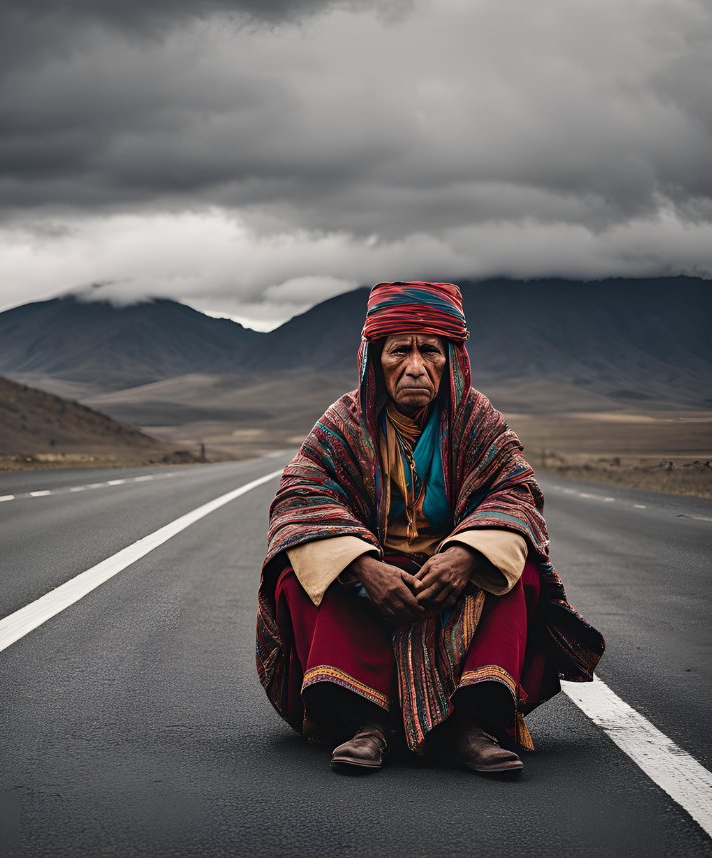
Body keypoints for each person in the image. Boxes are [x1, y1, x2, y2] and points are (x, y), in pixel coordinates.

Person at [255, 281, 605, 775]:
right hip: (373, 582)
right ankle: (366, 722)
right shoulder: (342, 423)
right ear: (375, 359)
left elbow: (516, 495)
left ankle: (473, 725)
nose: (416, 366)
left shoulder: (477, 420)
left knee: (519, 568)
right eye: (400, 350)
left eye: (430, 351)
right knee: (299, 574)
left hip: (453, 582)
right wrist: (362, 566)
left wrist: (465, 555)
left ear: (451, 358)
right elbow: (298, 495)